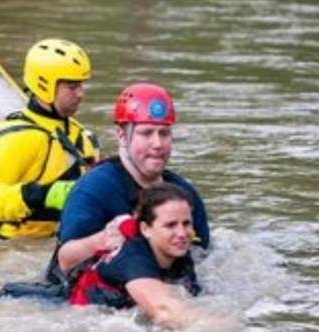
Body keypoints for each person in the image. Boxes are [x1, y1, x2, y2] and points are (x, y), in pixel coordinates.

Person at [52, 83, 210, 280]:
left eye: (164, 133)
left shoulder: (184, 194)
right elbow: (65, 260)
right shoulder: (94, 189)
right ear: (122, 137)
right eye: (146, 133)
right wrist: (101, 241)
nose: (157, 144)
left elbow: (203, 257)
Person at [0, 39, 99, 239]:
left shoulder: (84, 138)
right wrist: (39, 195)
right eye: (72, 87)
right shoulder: (15, 138)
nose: (81, 93)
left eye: (82, 84)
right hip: (7, 247)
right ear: (45, 86)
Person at [67, 183, 204, 327]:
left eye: (187, 223)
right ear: (145, 229)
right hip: (80, 322)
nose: (182, 233)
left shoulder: (179, 254)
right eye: (170, 225)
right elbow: (166, 312)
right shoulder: (133, 260)